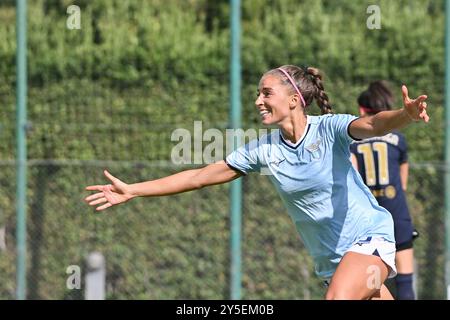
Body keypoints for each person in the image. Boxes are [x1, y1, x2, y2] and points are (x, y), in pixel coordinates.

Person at [84, 65, 429, 300]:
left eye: (266, 93)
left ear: (294, 99)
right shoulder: (263, 150)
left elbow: (373, 126)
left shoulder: (329, 128)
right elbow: (199, 177)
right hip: (332, 262)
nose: (257, 101)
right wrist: (133, 189)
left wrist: (404, 115)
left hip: (369, 239)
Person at [349, 80, 418, 300]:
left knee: (372, 284)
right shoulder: (399, 140)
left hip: (369, 221)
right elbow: (403, 185)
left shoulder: (354, 142)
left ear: (362, 110)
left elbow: (353, 181)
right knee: (405, 281)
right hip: (397, 214)